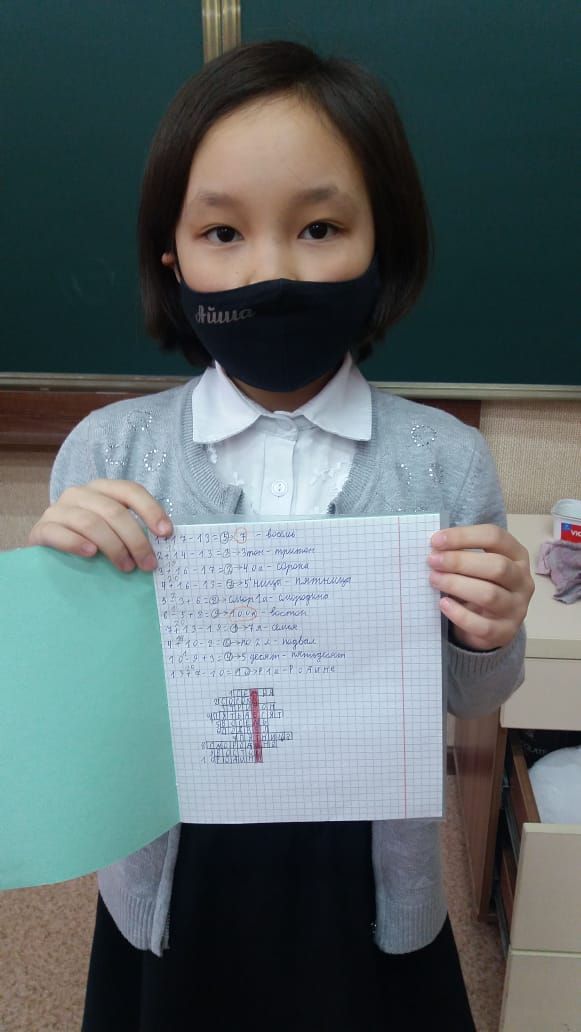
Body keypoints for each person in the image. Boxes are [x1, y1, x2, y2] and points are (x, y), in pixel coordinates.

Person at [29, 40, 534, 1031]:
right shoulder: (109, 451)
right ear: (171, 256)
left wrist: (488, 631)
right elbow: (76, 726)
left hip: (367, 866)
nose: (270, 272)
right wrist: (59, 599)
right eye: (222, 231)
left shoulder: (442, 460)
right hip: (176, 866)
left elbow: (473, 697)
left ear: (381, 244)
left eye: (318, 227)